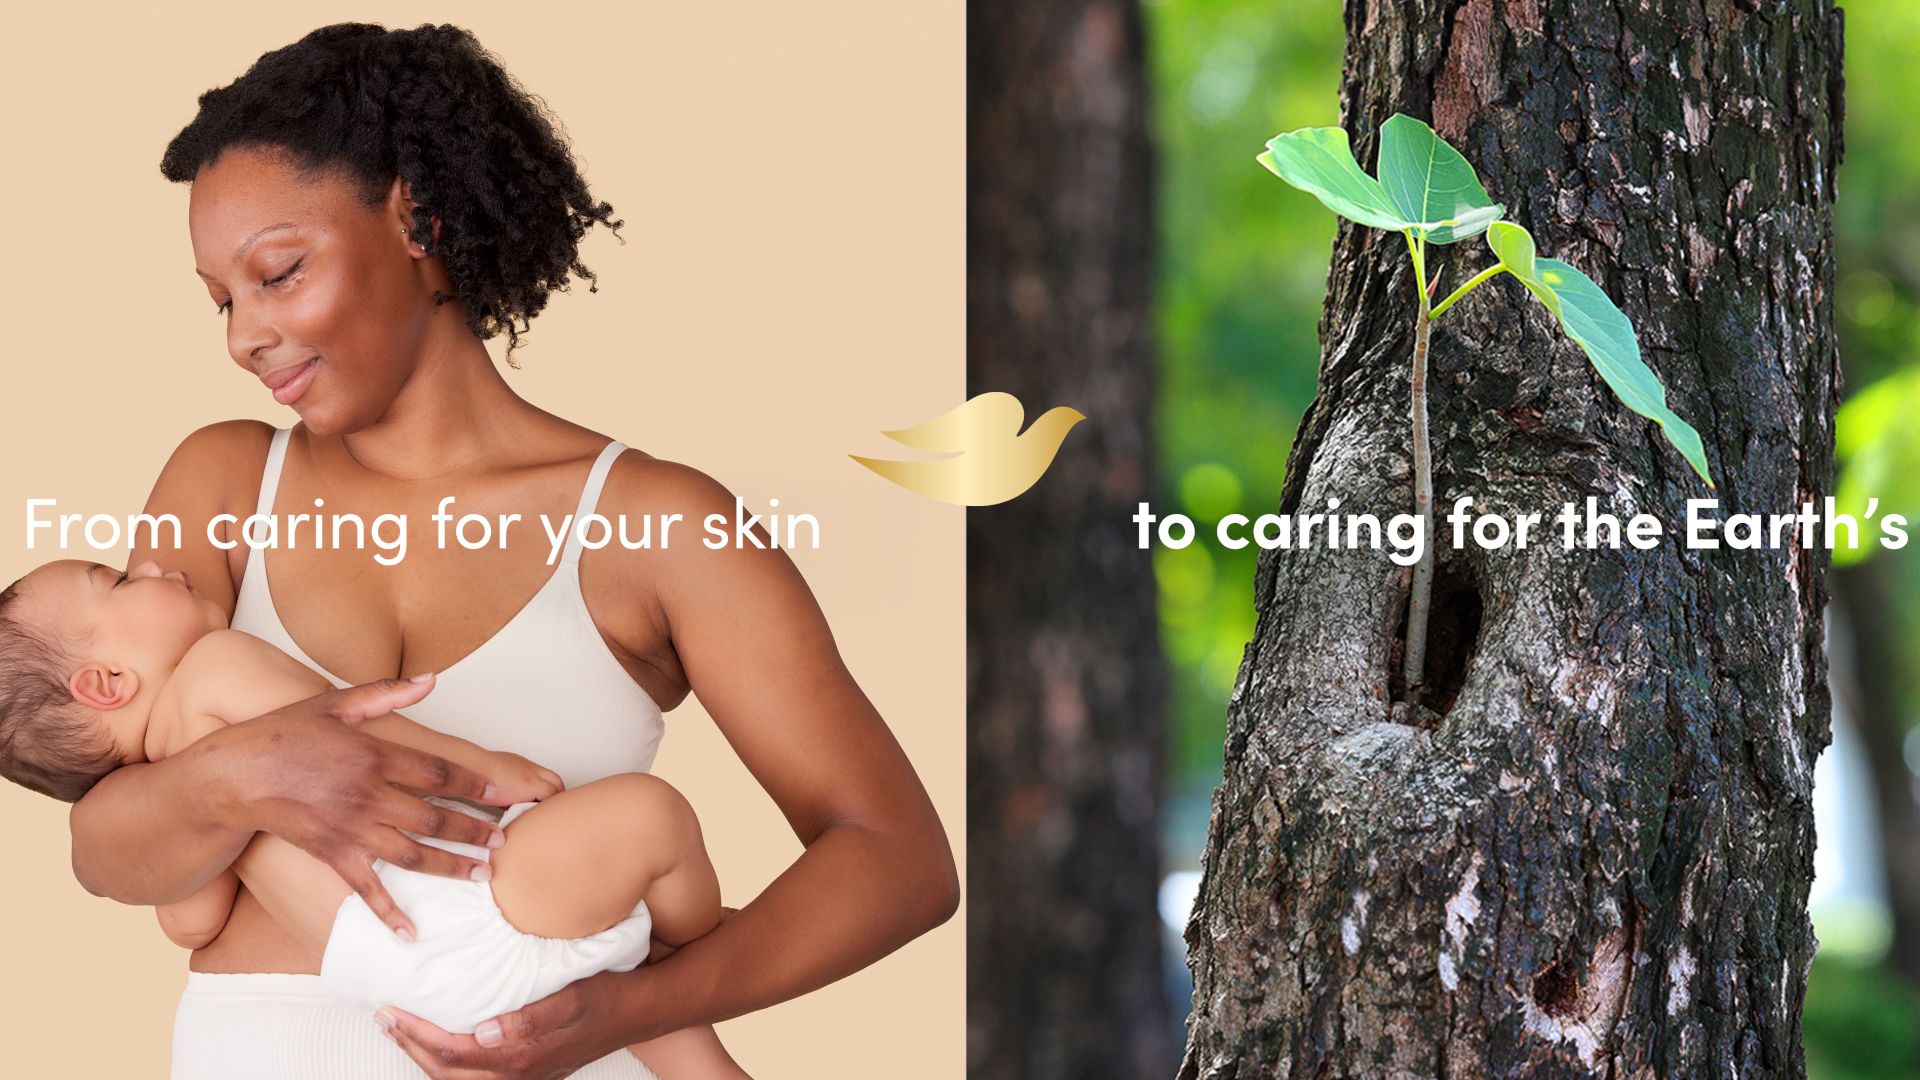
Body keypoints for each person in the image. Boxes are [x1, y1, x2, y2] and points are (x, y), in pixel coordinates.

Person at [64, 21, 957, 1080]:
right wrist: (249, 772)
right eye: (222, 300)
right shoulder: (223, 483)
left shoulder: (658, 525)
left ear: (416, 214)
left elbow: (898, 861)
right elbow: (105, 842)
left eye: (279, 273)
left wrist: (631, 1009)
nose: (242, 337)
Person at [0, 558, 745, 1076]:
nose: (157, 568)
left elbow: (189, 924)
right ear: (104, 682)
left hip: (408, 982)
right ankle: (695, 936)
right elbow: (365, 729)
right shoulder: (216, 665)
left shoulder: (163, 790)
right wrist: (484, 765)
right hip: (471, 899)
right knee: (654, 819)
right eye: (122, 582)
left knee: (639, 977)